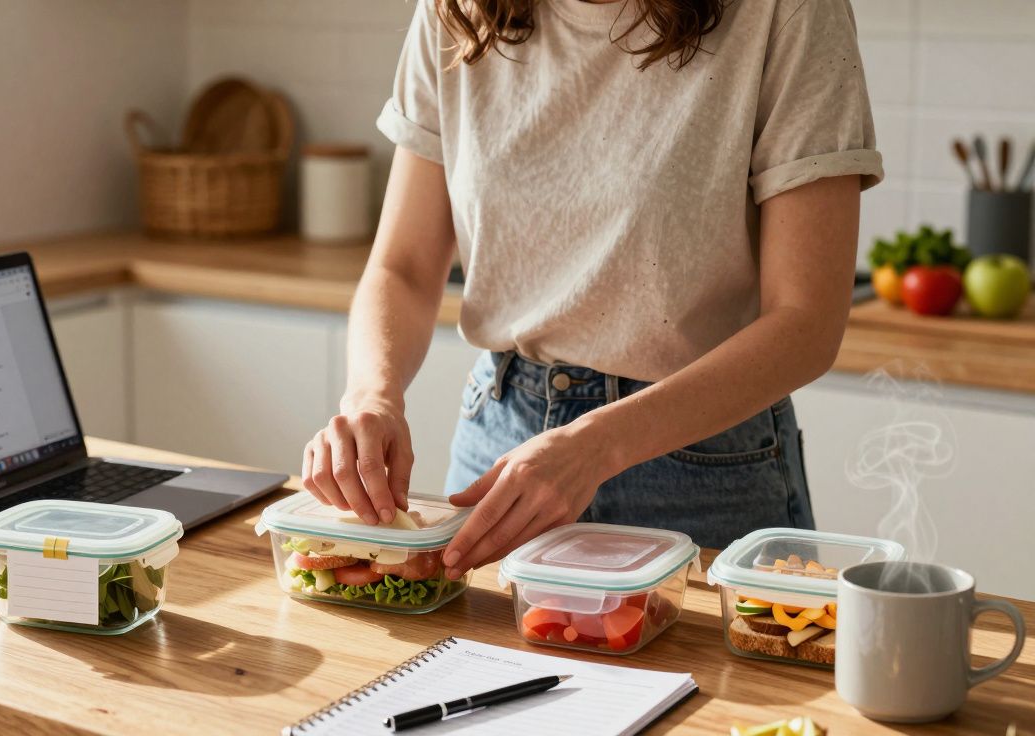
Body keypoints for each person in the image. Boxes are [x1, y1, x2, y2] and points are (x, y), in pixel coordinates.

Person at [299, 0, 882, 581]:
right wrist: (372, 397)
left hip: (706, 464)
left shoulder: (788, 11)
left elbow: (807, 322)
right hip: (500, 440)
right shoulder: (459, 10)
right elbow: (403, 265)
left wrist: (596, 446)